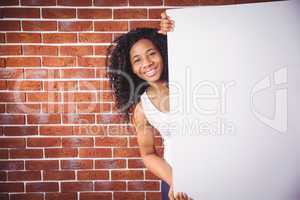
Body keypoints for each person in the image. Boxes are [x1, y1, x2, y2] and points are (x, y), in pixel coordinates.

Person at [107, 12, 190, 200]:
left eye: (152, 53)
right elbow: (148, 153)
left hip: (214, 170)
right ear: (130, 68)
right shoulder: (142, 108)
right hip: (175, 182)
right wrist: (176, 181)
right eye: (137, 60)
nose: (147, 63)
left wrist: (174, 33)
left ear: (162, 52)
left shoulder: (188, 80)